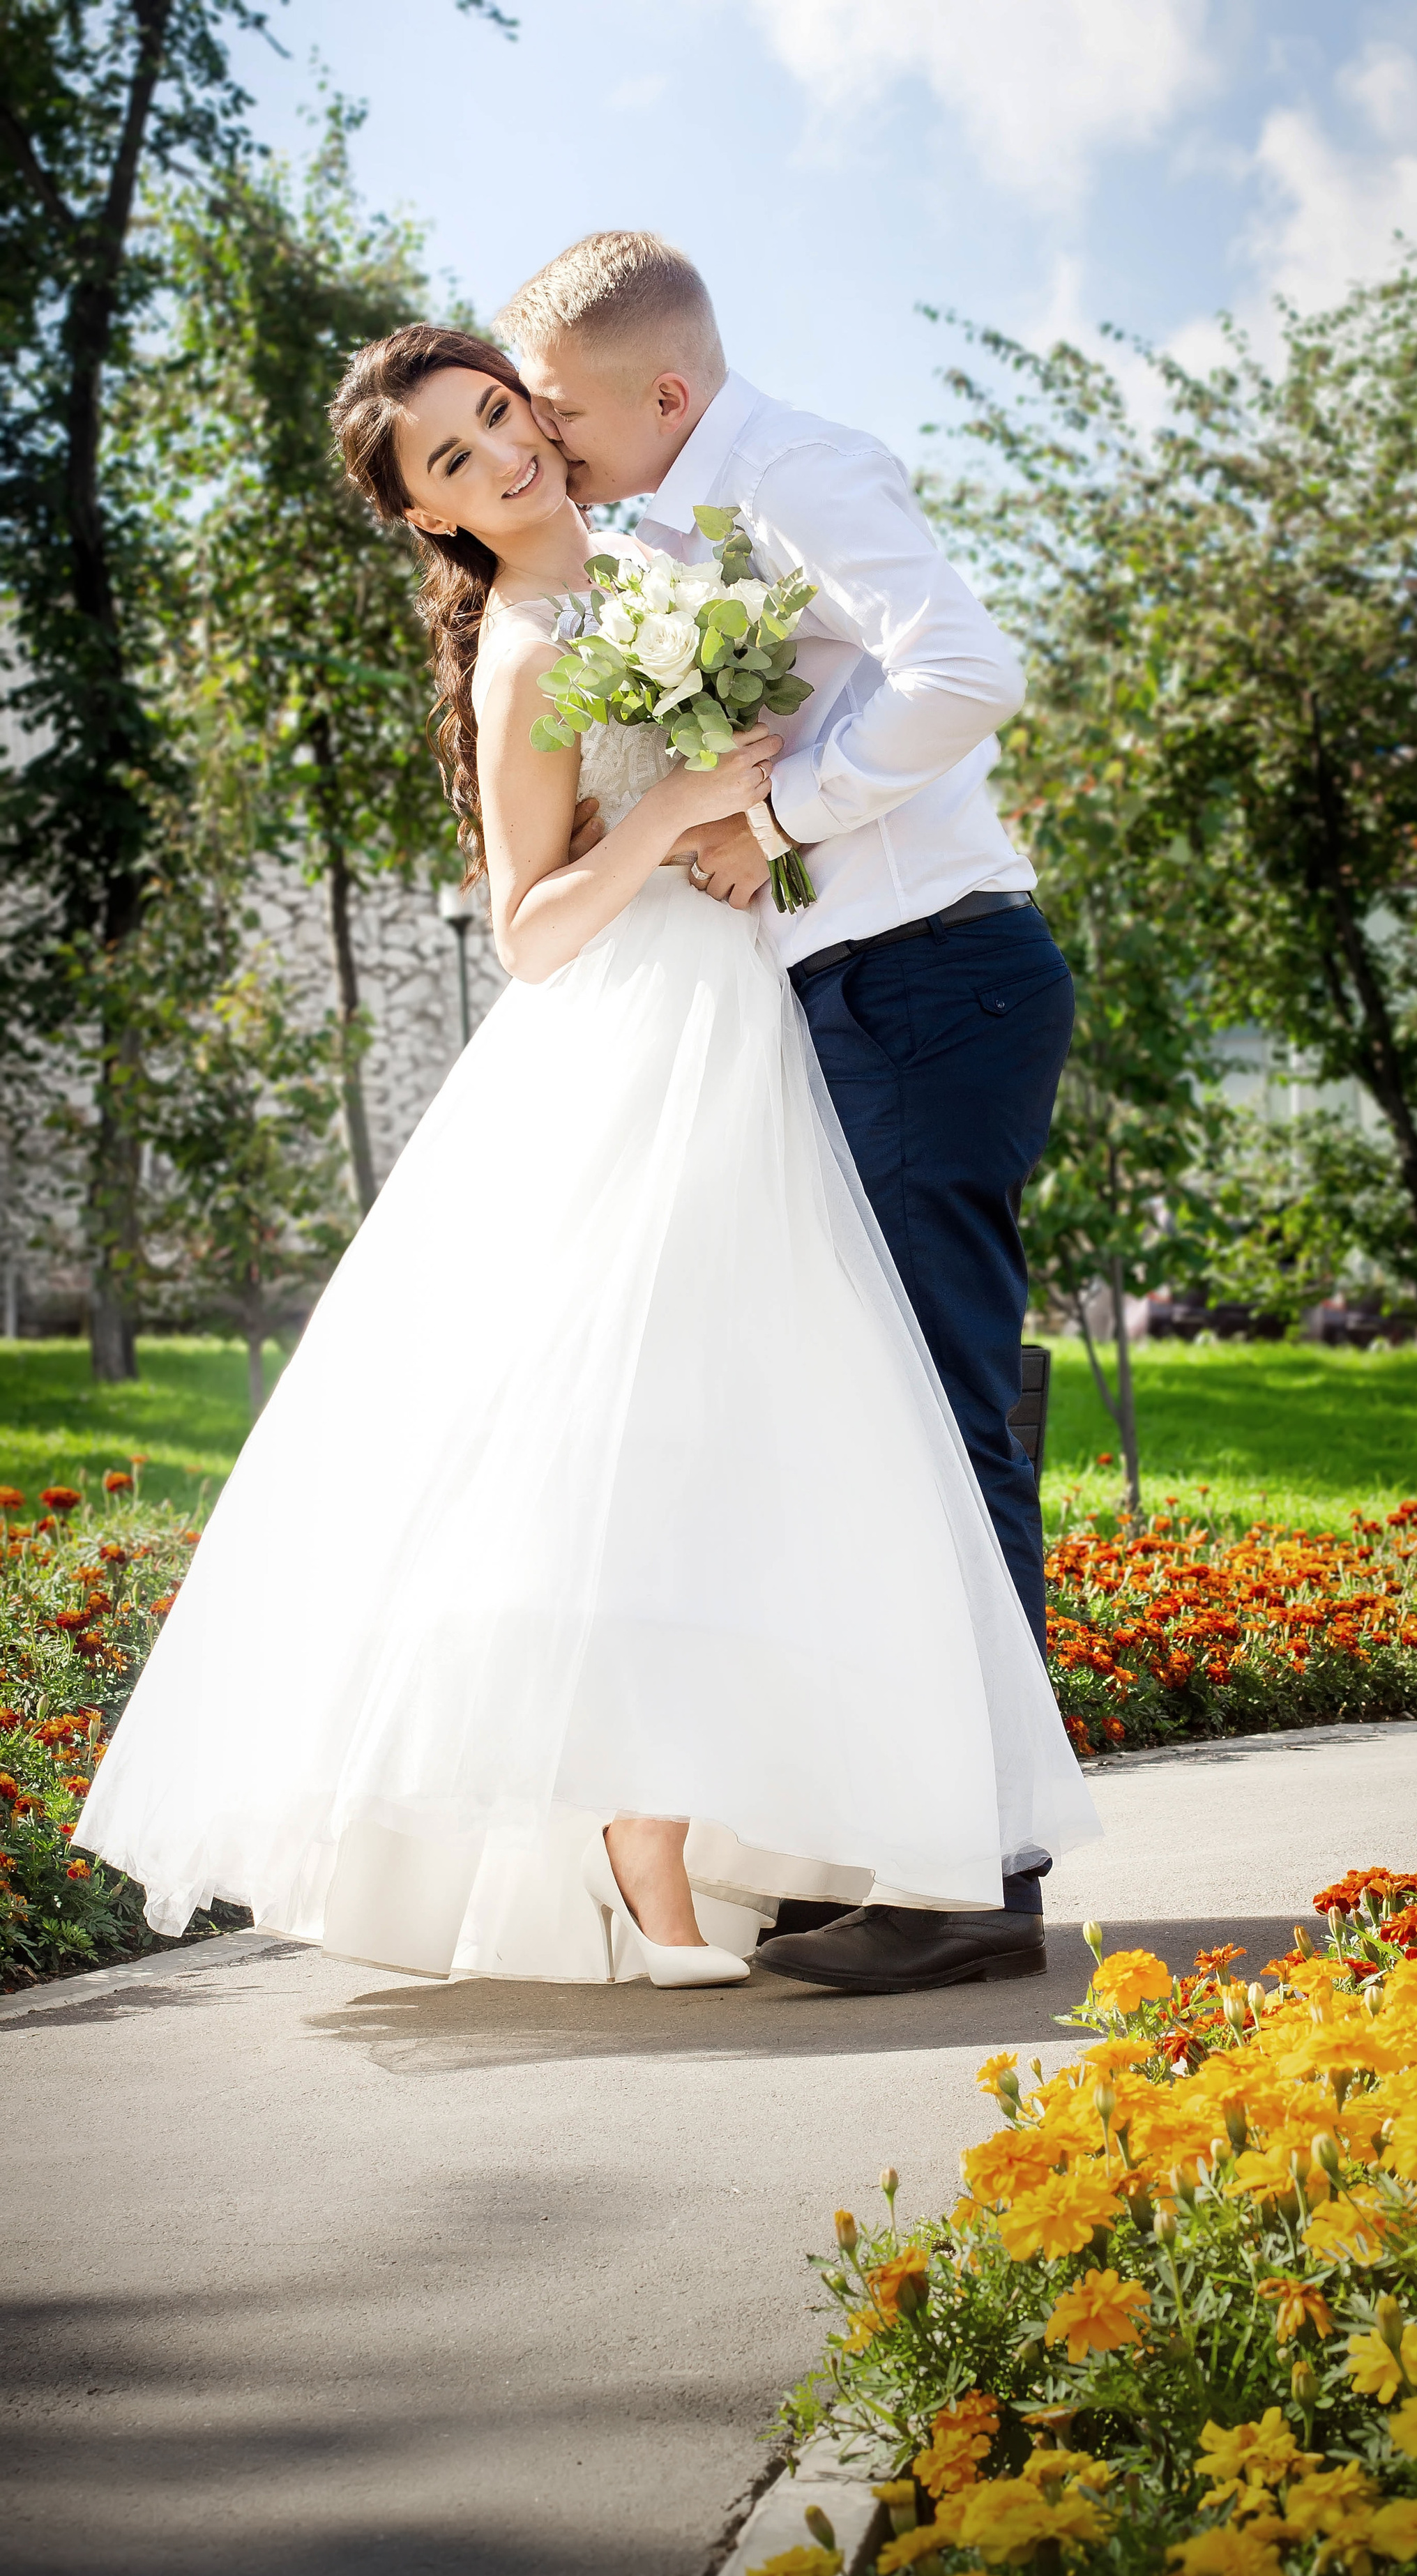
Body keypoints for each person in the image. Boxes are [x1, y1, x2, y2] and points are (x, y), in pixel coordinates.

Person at [74, 317, 1098, 1993]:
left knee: (771, 1430)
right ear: (431, 518)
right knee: (617, 1426)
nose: (504, 455)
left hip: (758, 1019)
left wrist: (753, 815)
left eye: (497, 413)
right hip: (636, 1034)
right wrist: (671, 810)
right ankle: (643, 1854)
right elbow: (527, 931)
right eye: (454, 460)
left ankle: (782, 1837)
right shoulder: (527, 648)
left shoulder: (661, 560)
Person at [497, 233, 1081, 1994]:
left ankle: (977, 1873)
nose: (552, 446)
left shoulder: (803, 469)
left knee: (946, 1414)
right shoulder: (679, 518)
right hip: (854, 990)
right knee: (883, 1416)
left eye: (567, 417)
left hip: (931, 977)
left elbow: (968, 670)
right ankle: (925, 1842)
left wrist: (787, 816)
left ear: (664, 395)